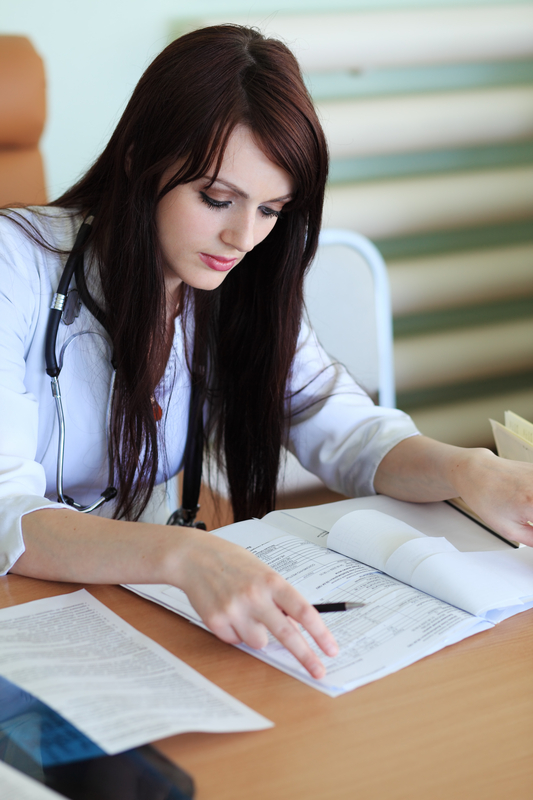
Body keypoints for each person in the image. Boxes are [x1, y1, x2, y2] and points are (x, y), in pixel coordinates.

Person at [1, 26, 532, 681]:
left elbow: (350, 433)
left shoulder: (232, 284)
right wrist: (180, 556)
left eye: (271, 209)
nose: (242, 235)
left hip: (113, 611)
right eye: (216, 199)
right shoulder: (15, 267)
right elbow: (2, 510)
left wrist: (469, 472)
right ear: (139, 159)